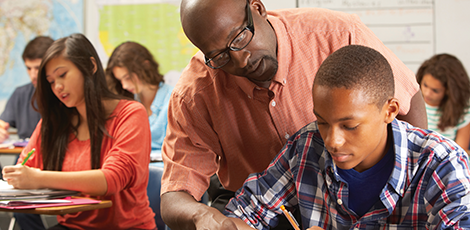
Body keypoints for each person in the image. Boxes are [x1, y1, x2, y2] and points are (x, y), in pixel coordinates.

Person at [160, 0, 428, 229]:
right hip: (255, 203)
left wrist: (410, 185)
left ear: (257, 8)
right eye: (220, 56)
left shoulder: (336, 34)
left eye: (240, 38)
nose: (240, 60)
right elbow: (175, 194)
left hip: (347, 194)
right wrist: (202, 215)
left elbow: (406, 96)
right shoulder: (194, 93)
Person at [224, 45, 470, 229]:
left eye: (349, 126)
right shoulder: (306, 146)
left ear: (390, 111)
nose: (332, 141)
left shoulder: (442, 163)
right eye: (322, 121)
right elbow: (245, 213)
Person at [2, 33, 156, 230]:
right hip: (73, 226)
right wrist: (19, 176)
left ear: (91, 67)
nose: (57, 87)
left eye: (62, 75)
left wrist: (38, 178)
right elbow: (27, 167)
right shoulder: (55, 121)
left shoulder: (130, 113)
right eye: (50, 81)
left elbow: (112, 178)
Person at [106, 41, 174, 151]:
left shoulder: (174, 100)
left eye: (127, 78)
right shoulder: (130, 102)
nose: (124, 86)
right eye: (120, 80)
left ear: (145, 66)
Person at [0, 36, 54, 143]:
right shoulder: (20, 94)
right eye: (29, 68)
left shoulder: (64, 94)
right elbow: (3, 123)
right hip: (25, 156)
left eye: (38, 68)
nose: (33, 75)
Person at [416, 54, 470, 151]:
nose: (427, 93)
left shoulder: (462, 111)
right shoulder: (412, 102)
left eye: (435, 90)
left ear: (450, 91)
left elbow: (461, 152)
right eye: (425, 85)